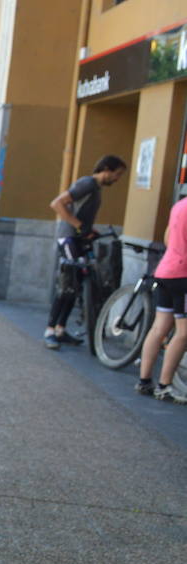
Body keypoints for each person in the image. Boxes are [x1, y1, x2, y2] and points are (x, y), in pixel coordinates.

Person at [44, 155, 126, 350]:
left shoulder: (95, 188)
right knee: (66, 285)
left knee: (77, 284)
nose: (117, 179)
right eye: (117, 174)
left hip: (79, 238)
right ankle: (49, 331)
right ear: (106, 168)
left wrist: (88, 229)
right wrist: (79, 226)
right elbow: (57, 204)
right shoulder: (87, 183)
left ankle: (61, 329)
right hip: (69, 238)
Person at [136, 193, 187, 403]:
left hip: (165, 270)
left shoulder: (179, 205)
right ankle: (164, 387)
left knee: (159, 328)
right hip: (184, 275)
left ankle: (144, 381)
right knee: (183, 333)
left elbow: (167, 237)